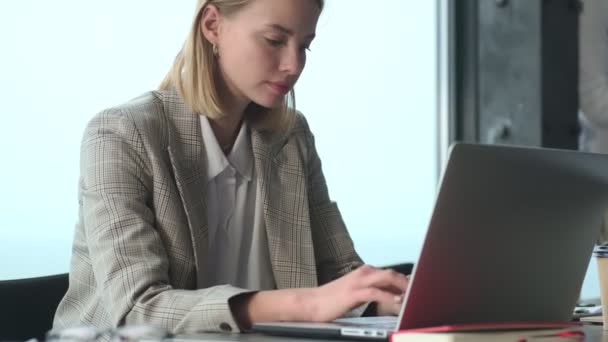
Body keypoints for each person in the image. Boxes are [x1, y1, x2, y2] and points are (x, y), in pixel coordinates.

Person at [53, 0, 409, 335]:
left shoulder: (291, 138)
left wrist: (400, 299)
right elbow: (137, 311)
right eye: (274, 40)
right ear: (212, 25)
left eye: (305, 46)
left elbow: (340, 273)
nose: (294, 64)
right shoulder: (120, 135)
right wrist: (306, 303)